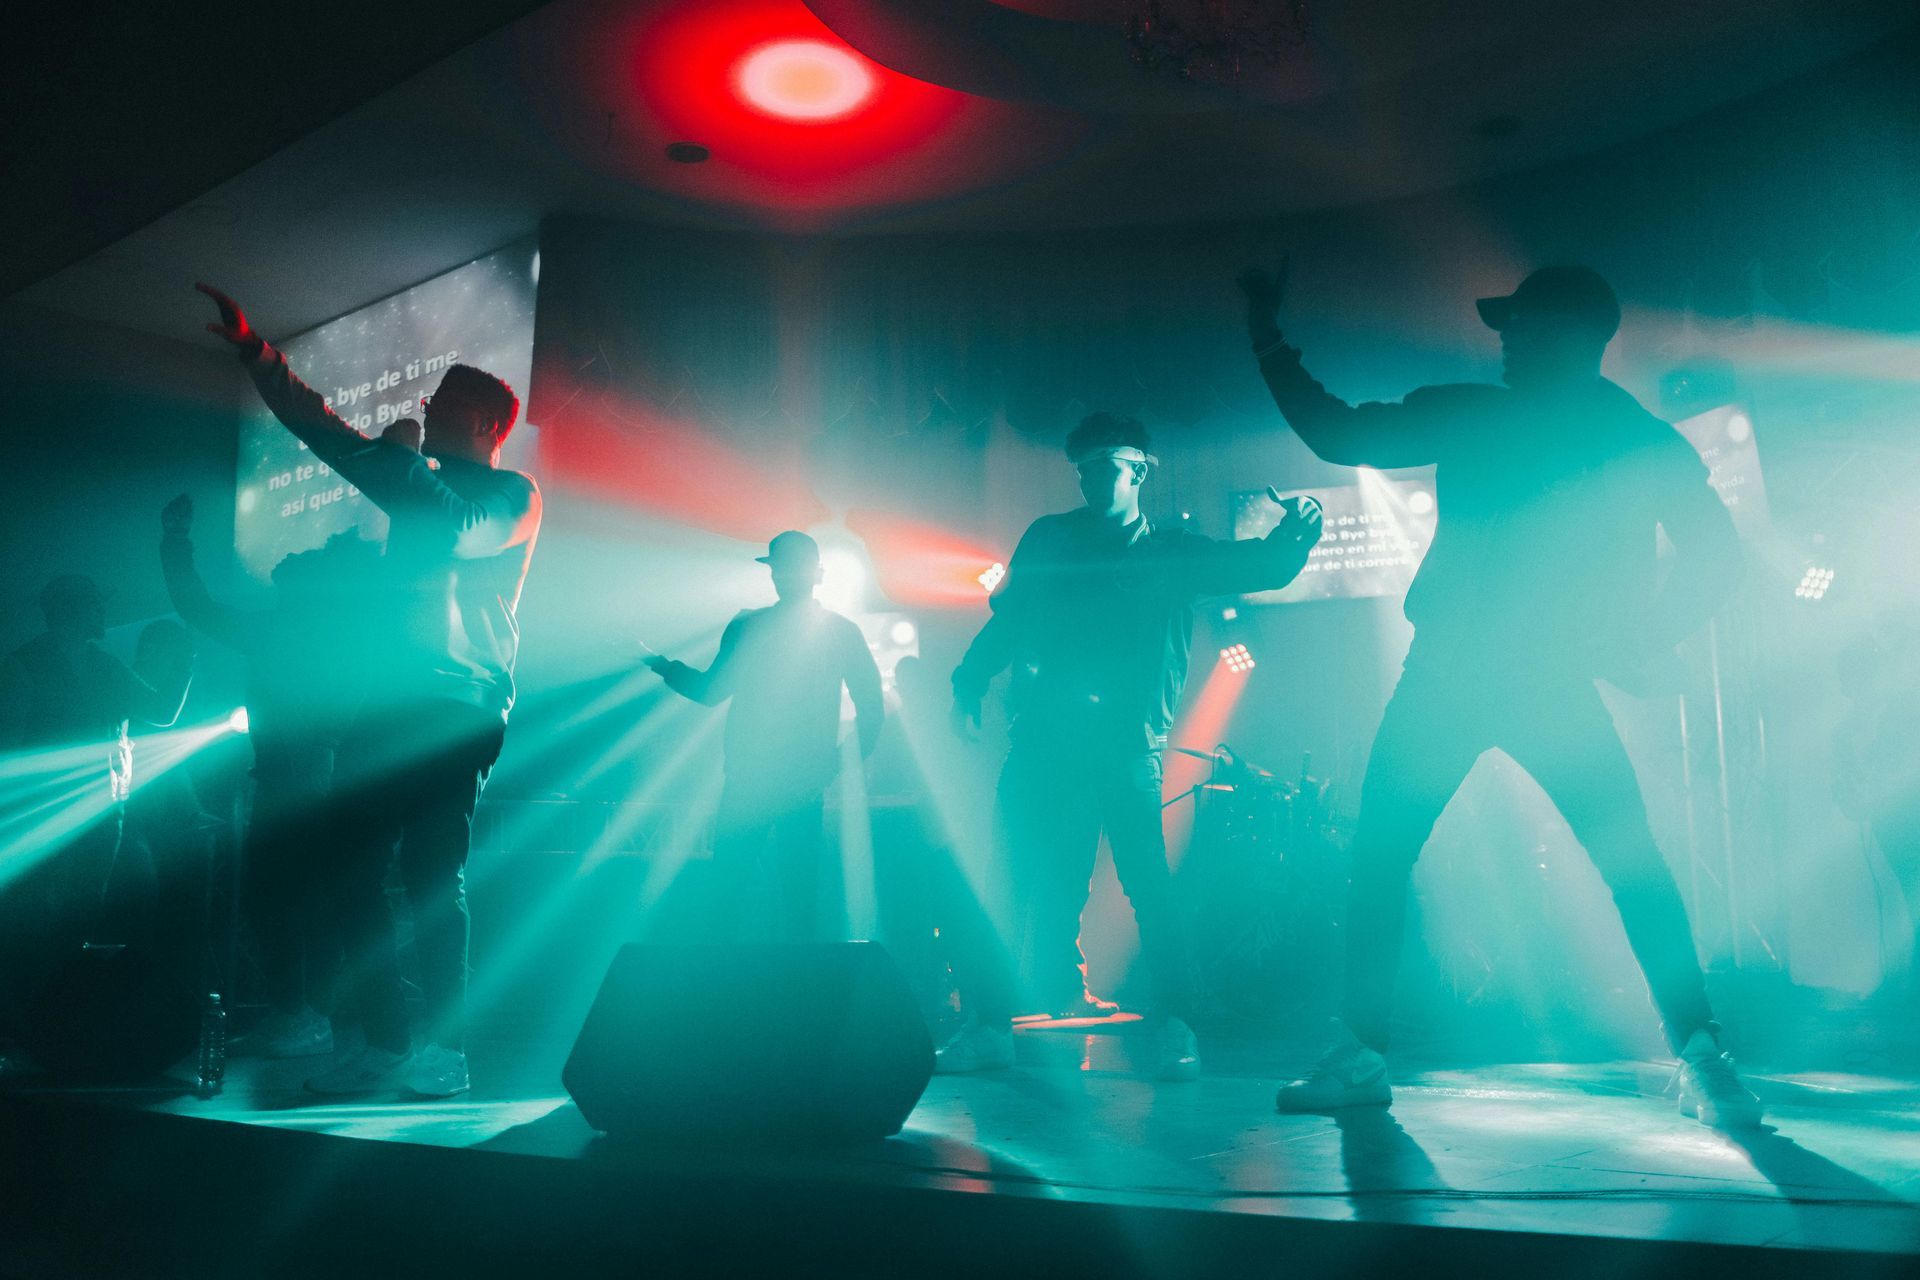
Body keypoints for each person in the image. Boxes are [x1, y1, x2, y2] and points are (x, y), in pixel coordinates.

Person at [1238, 261, 1763, 1127]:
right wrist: (1635, 640)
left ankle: (1363, 1056)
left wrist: (1267, 337)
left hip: (1449, 678)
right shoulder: (1636, 436)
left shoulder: (1481, 414)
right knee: (1631, 869)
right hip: (1544, 683)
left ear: (1563, 333)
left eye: (1518, 325)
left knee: (1381, 861)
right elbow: (1719, 556)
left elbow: (1336, 433)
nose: (1506, 340)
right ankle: (1703, 1056)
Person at [198, 284, 541, 1099]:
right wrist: (261, 357)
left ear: (485, 424)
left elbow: (456, 530)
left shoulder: (514, 497)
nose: (426, 414)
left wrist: (399, 454)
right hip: (390, 704)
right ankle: (382, 1040)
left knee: (430, 879)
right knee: (348, 873)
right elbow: (324, 433)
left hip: (459, 706)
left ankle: (446, 1052)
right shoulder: (411, 476)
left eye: (440, 406)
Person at [939, 412, 1322, 1081]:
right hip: (1049, 741)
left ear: (1140, 470)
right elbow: (1012, 619)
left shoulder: (1167, 552)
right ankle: (993, 1024)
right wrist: (969, 679)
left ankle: (1175, 1022)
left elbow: (1264, 567)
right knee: (1016, 875)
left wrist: (1298, 533)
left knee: (1144, 884)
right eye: (1083, 467)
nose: (1090, 477)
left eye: (1104, 465)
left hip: (1124, 744)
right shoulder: (1051, 539)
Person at [159, 494, 378, 1059]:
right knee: (301, 900)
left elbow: (198, 607)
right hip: (314, 774)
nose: (295, 554)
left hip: (299, 777)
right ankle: (315, 1016)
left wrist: (175, 542)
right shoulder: (323, 631)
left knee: (283, 899)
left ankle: (304, 1017)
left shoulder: (288, 631)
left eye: (310, 556)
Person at [646, 531, 884, 941]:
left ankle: (720, 975)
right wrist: (837, 762)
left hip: (751, 776)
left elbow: (710, 691)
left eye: (782, 569)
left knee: (727, 892)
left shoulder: (749, 626)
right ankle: (796, 977)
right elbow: (872, 709)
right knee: (798, 899)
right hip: (800, 779)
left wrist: (662, 666)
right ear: (818, 574)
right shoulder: (840, 631)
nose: (781, 577)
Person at [0, 574, 192, 1044]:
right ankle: (25, 1023)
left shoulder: (96, 663)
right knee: (39, 917)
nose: (103, 613)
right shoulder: (25, 666)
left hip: (100, 813)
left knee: (73, 917)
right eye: (95, 604)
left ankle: (46, 1024)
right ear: (73, 609)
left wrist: (184, 663)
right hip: (47, 817)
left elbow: (161, 712)